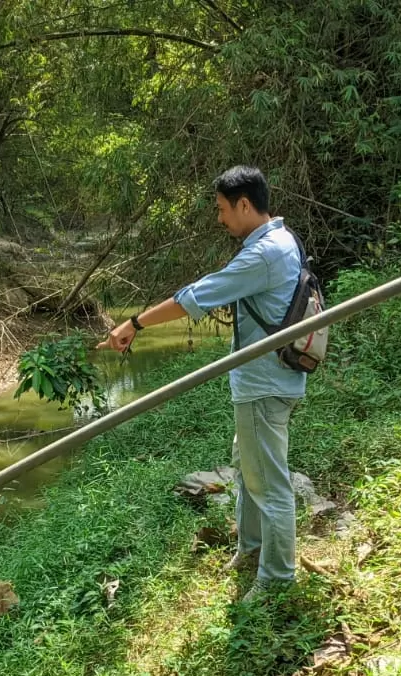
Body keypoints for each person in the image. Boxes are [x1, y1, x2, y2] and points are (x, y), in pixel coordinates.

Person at [97, 165, 305, 598]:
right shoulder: (282, 239)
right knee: (250, 468)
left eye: (222, 209)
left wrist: (134, 323)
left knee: (268, 482)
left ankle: (277, 578)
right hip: (267, 379)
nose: (220, 219)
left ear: (244, 204)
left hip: (264, 384)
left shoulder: (262, 255)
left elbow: (197, 295)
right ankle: (251, 548)